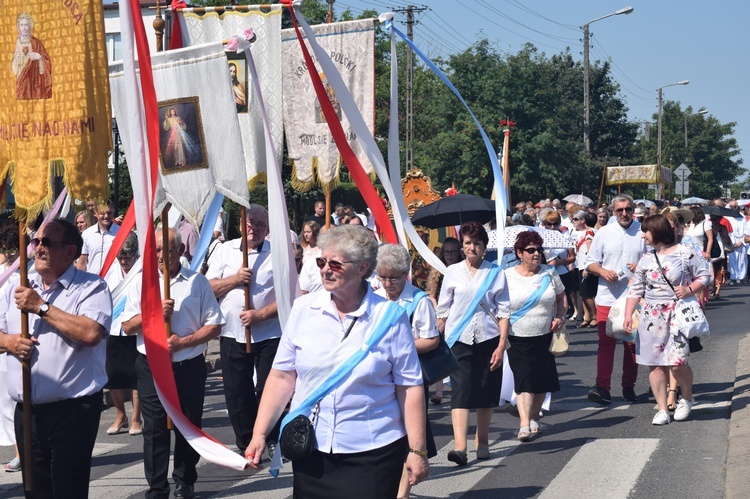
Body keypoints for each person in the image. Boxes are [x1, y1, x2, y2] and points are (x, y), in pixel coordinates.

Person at [244, 225, 428, 497]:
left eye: (335, 264)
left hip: (373, 452)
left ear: (363, 268)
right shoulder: (303, 310)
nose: (325, 270)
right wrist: (260, 433)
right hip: (312, 451)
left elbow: (409, 386)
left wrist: (417, 450)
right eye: (321, 262)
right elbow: (282, 376)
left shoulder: (389, 317)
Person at [0, 219, 112, 497]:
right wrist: (10, 342)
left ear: (70, 251)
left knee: (67, 490)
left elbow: (90, 333)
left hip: (73, 411)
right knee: (35, 492)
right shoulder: (16, 286)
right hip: (27, 412)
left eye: (47, 242)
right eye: (37, 242)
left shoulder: (91, 287)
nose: (38, 248)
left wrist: (40, 306)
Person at [122, 227, 223, 499]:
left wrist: (182, 343)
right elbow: (128, 326)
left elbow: (214, 326)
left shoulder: (197, 283)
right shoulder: (141, 283)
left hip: (186, 365)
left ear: (179, 251)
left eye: (166, 249)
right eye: (154, 249)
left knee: (188, 424)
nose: (159, 255)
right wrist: (153, 314)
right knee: (154, 429)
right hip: (151, 365)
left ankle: (185, 481)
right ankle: (157, 488)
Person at [206, 204, 282, 456]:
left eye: (260, 225)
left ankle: (270, 436)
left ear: (267, 229)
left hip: (268, 333)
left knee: (267, 387)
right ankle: (246, 440)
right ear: (241, 225)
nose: (254, 229)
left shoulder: (277, 253)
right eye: (250, 223)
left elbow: (289, 296)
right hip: (231, 332)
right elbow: (208, 289)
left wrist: (260, 314)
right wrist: (236, 279)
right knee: (237, 389)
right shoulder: (224, 251)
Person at [624, 215, 709, 425]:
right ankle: (662, 408)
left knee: (678, 363)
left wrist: (689, 289)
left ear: (658, 231)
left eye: (646, 231)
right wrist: (628, 315)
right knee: (655, 365)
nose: (642, 235)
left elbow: (704, 276)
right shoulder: (646, 258)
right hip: (651, 316)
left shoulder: (684, 252)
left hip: (677, 313)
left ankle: (687, 397)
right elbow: (635, 290)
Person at [437, 222, 510, 465]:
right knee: (461, 389)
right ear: (462, 246)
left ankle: (483, 441)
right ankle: (459, 447)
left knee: (485, 389)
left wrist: (501, 344)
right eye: (467, 243)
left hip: (488, 338)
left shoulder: (496, 272)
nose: (472, 247)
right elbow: (443, 308)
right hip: (459, 338)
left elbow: (504, 311)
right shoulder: (452, 272)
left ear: (484, 247)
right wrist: (437, 338)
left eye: (477, 243)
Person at [375, 244, 439, 499]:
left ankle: (402, 494)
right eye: (383, 276)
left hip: (408, 377)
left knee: (407, 436)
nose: (388, 282)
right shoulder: (373, 296)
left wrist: (400, 345)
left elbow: (431, 340)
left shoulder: (419, 301)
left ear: (405, 274)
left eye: (394, 277)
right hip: (379, 378)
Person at [585, 194, 646, 405]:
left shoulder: (642, 232)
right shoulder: (604, 233)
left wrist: (639, 269)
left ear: (633, 210)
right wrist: (602, 271)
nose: (624, 213)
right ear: (613, 211)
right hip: (607, 296)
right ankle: (603, 387)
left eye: (628, 209)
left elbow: (654, 260)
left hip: (634, 296)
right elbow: (590, 263)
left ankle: (628, 385)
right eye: (619, 210)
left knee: (631, 344)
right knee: (606, 343)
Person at [504, 231, 565, 440]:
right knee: (524, 379)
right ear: (520, 253)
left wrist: (561, 317)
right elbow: (499, 305)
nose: (536, 254)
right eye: (531, 250)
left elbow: (561, 298)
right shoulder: (506, 276)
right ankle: (523, 424)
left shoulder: (549, 273)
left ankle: (532, 418)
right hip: (517, 335)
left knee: (541, 381)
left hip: (545, 334)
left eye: (539, 250)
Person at [103, 233, 142, 437]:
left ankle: (136, 418)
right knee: (114, 376)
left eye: (127, 256)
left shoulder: (142, 271)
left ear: (135, 254)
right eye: (120, 257)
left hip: (136, 330)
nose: (124, 261)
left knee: (136, 376)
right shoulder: (110, 272)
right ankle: (121, 416)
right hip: (113, 329)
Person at [425, 237, 463, 404]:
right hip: (440, 315)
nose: (449, 254)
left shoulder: (463, 270)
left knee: (457, 351)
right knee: (440, 351)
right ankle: (439, 392)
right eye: (446, 251)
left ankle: (459, 387)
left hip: (459, 314)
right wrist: (440, 311)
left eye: (453, 251)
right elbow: (432, 296)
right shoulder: (438, 271)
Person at [0, 226, 21, 472]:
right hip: (3, 343)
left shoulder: (29, 273)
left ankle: (22, 451)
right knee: (6, 399)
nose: (10, 253)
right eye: (6, 249)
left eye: (14, 248)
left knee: (19, 398)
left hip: (19, 340)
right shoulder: (4, 273)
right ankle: (19, 448)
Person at [12, 12, 52, 100]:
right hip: (21, 77)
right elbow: (14, 66)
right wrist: (17, 57)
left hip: (34, 80)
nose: (24, 28)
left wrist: (39, 57)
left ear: (30, 27)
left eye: (26, 25)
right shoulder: (17, 42)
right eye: (21, 25)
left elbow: (46, 60)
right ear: (18, 27)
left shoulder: (36, 42)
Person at [78, 199, 120, 275]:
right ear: (95, 213)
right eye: (103, 213)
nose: (106, 216)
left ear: (113, 212)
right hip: (92, 282)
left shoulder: (120, 232)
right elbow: (82, 262)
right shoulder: (87, 234)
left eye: (109, 213)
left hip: (115, 282)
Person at [574, 212, 599, 328]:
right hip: (581, 264)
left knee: (587, 293)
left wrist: (586, 267)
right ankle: (587, 316)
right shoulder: (591, 231)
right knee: (583, 293)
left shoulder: (590, 232)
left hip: (586, 266)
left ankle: (595, 316)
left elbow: (589, 251)